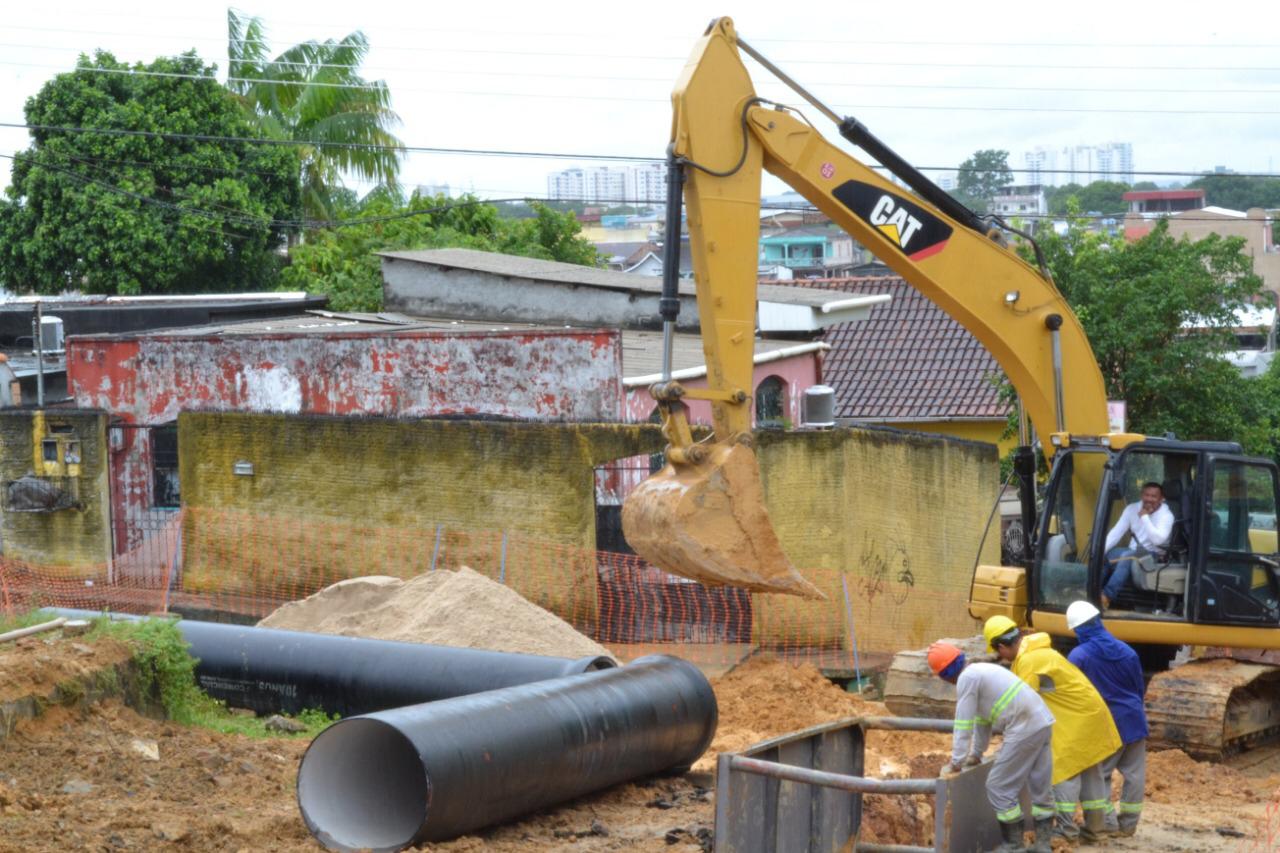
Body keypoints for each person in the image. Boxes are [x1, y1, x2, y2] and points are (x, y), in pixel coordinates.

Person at [984, 615, 1122, 842]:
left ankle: (1066, 832)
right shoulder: (1041, 653)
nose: (1002, 659)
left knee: (1062, 771)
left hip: (1075, 720)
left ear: (1001, 646)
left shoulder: (1028, 661)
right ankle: (1096, 829)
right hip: (1089, 714)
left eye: (1000, 654)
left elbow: (1021, 706)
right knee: (1090, 771)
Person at [928, 641, 1055, 853]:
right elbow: (982, 720)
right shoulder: (980, 672)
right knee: (1040, 786)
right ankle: (1042, 845)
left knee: (998, 786)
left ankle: (1013, 845)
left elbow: (964, 722)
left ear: (943, 674)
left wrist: (957, 761)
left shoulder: (967, 679)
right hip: (1042, 720)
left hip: (1024, 726)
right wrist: (976, 754)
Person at [1065, 601, 1148, 837]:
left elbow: (1073, 695)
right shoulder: (1127, 651)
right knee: (1134, 774)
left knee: (1099, 774)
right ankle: (1129, 825)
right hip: (1134, 719)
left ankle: (1108, 824)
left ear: (1078, 629)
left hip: (1106, 724)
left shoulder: (1079, 655)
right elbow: (1138, 689)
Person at [1101, 481, 1174, 608]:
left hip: (1155, 554)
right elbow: (1115, 533)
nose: (1149, 499)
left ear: (1161, 499)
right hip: (1133, 550)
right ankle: (1089, 589)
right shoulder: (1131, 509)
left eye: (1154, 496)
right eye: (1147, 495)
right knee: (1109, 554)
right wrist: (1099, 552)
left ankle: (1106, 596)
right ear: (1142, 495)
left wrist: (1144, 517)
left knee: (1128, 556)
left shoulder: (1167, 516)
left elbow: (1158, 540)